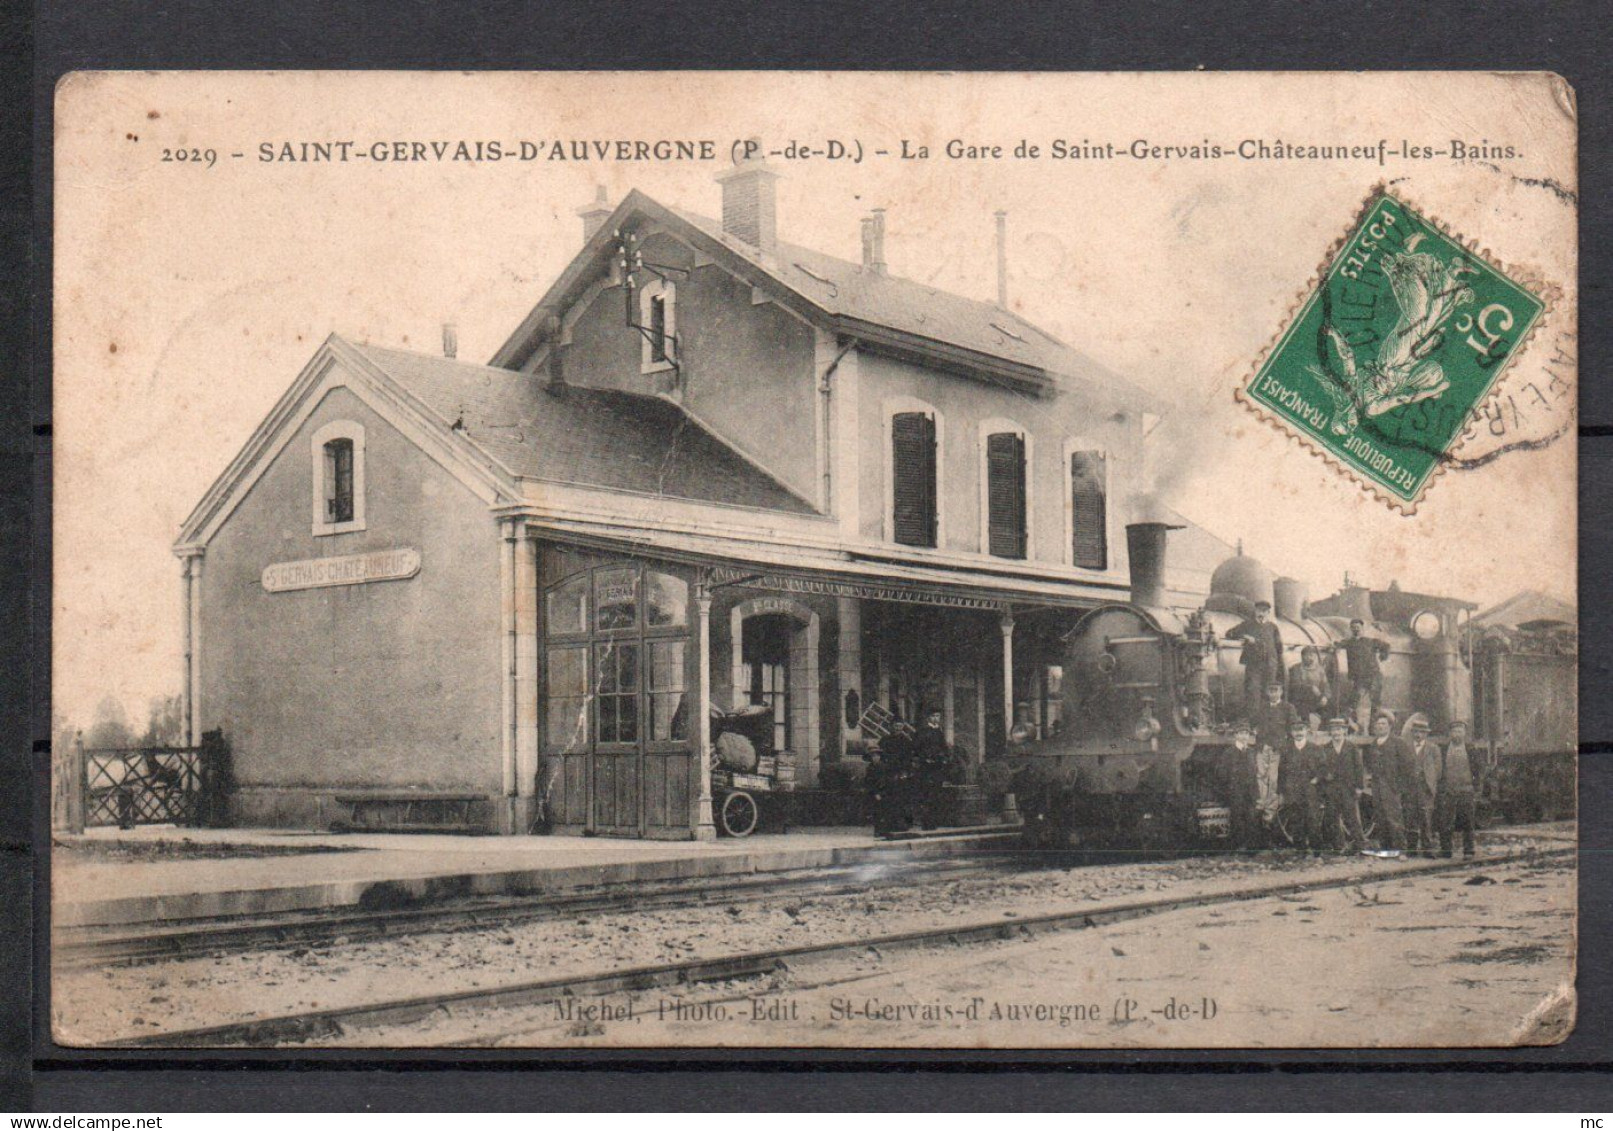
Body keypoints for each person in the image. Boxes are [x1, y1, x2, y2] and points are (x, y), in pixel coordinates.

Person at [1320, 717, 1368, 853]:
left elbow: (1359, 768)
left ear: (1344, 731)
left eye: (1339, 730)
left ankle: (1360, 845)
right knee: (1332, 817)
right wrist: (1325, 776)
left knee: (1351, 816)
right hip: (1332, 788)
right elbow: (1321, 768)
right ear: (1330, 732)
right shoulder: (1325, 748)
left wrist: (1359, 787)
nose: (1336, 733)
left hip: (1348, 788)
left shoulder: (1351, 747)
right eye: (1333, 730)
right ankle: (1339, 846)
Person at [1363, 710, 1408, 855]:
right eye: (1378, 724)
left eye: (1383, 724)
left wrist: (1399, 786)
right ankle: (1386, 849)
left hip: (1392, 787)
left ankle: (1401, 850)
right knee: (1381, 818)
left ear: (1389, 726)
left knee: (1394, 819)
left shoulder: (1398, 743)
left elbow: (1406, 765)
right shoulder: (1373, 745)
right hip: (1377, 787)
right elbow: (1370, 765)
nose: (1380, 727)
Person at [1229, 600, 1286, 715]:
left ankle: (1269, 720)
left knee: (1270, 694)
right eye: (1259, 610)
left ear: (1268, 612)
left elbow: (1279, 647)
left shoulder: (1272, 627)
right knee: (1253, 693)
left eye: (1264, 611)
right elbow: (1229, 633)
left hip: (1270, 666)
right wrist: (1244, 636)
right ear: (1255, 611)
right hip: (1254, 666)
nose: (1261, 613)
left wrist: (1278, 664)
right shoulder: (1247, 625)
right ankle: (1254, 722)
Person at [1338, 618, 1392, 732]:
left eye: (1358, 627)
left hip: (1373, 676)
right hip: (1359, 678)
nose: (1356, 629)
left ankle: (1373, 728)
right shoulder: (1349, 643)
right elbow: (1339, 644)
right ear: (1351, 629)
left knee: (1375, 703)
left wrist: (1383, 656)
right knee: (1353, 701)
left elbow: (1386, 646)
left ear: (1362, 629)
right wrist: (1335, 645)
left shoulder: (1370, 641)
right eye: (1353, 627)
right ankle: (1352, 726)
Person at [1277, 718, 1322, 852]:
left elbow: (1323, 767)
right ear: (1291, 733)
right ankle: (1300, 849)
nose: (1299, 733)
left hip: (1309, 789)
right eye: (1296, 730)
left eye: (1301, 730)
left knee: (1312, 818)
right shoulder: (1286, 750)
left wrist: (1316, 779)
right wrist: (1280, 792)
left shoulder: (1314, 748)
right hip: (1292, 789)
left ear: (1306, 731)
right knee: (1296, 819)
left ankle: (1316, 849)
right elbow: (1281, 771)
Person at [1436, 720, 1480, 858]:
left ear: (1464, 733)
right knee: (1445, 821)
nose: (1457, 735)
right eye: (1454, 732)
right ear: (1450, 734)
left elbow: (1479, 770)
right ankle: (1446, 850)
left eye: (1460, 731)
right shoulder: (1443, 750)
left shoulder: (1471, 750)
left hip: (1466, 790)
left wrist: (1476, 787)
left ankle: (1468, 850)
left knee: (1467, 821)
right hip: (1448, 790)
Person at [910, 708, 954, 830]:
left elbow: (944, 748)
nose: (936, 719)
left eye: (938, 716)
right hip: (926, 768)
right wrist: (925, 758)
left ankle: (934, 821)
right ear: (928, 717)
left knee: (936, 794)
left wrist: (944, 758)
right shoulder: (922, 732)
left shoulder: (939, 732)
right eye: (934, 716)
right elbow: (917, 748)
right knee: (926, 794)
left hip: (937, 767)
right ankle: (926, 823)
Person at [1242, 720, 1283, 839]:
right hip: (1262, 748)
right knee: (1261, 780)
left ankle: (1269, 817)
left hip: (1276, 748)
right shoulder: (1258, 750)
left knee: (1274, 781)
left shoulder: (1277, 751)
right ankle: (1262, 816)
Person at [1405, 713, 1439, 856]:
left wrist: (1431, 783)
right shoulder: (1406, 747)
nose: (1418, 735)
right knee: (1410, 817)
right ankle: (1412, 848)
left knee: (1426, 818)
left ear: (1426, 734)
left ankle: (1427, 848)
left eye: (1421, 732)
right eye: (1416, 732)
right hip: (1411, 788)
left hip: (1425, 789)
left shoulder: (1433, 748)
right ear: (1412, 733)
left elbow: (1438, 769)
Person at [1287, 645, 1333, 729]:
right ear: (1302, 656)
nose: (1310, 658)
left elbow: (1326, 685)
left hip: (1317, 698)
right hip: (1300, 698)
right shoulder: (1296, 668)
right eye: (1307, 655)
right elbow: (1295, 684)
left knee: (1330, 704)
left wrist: (1325, 697)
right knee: (1304, 701)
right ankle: (1306, 725)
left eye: (1312, 655)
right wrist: (1311, 688)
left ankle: (1324, 727)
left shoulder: (1319, 669)